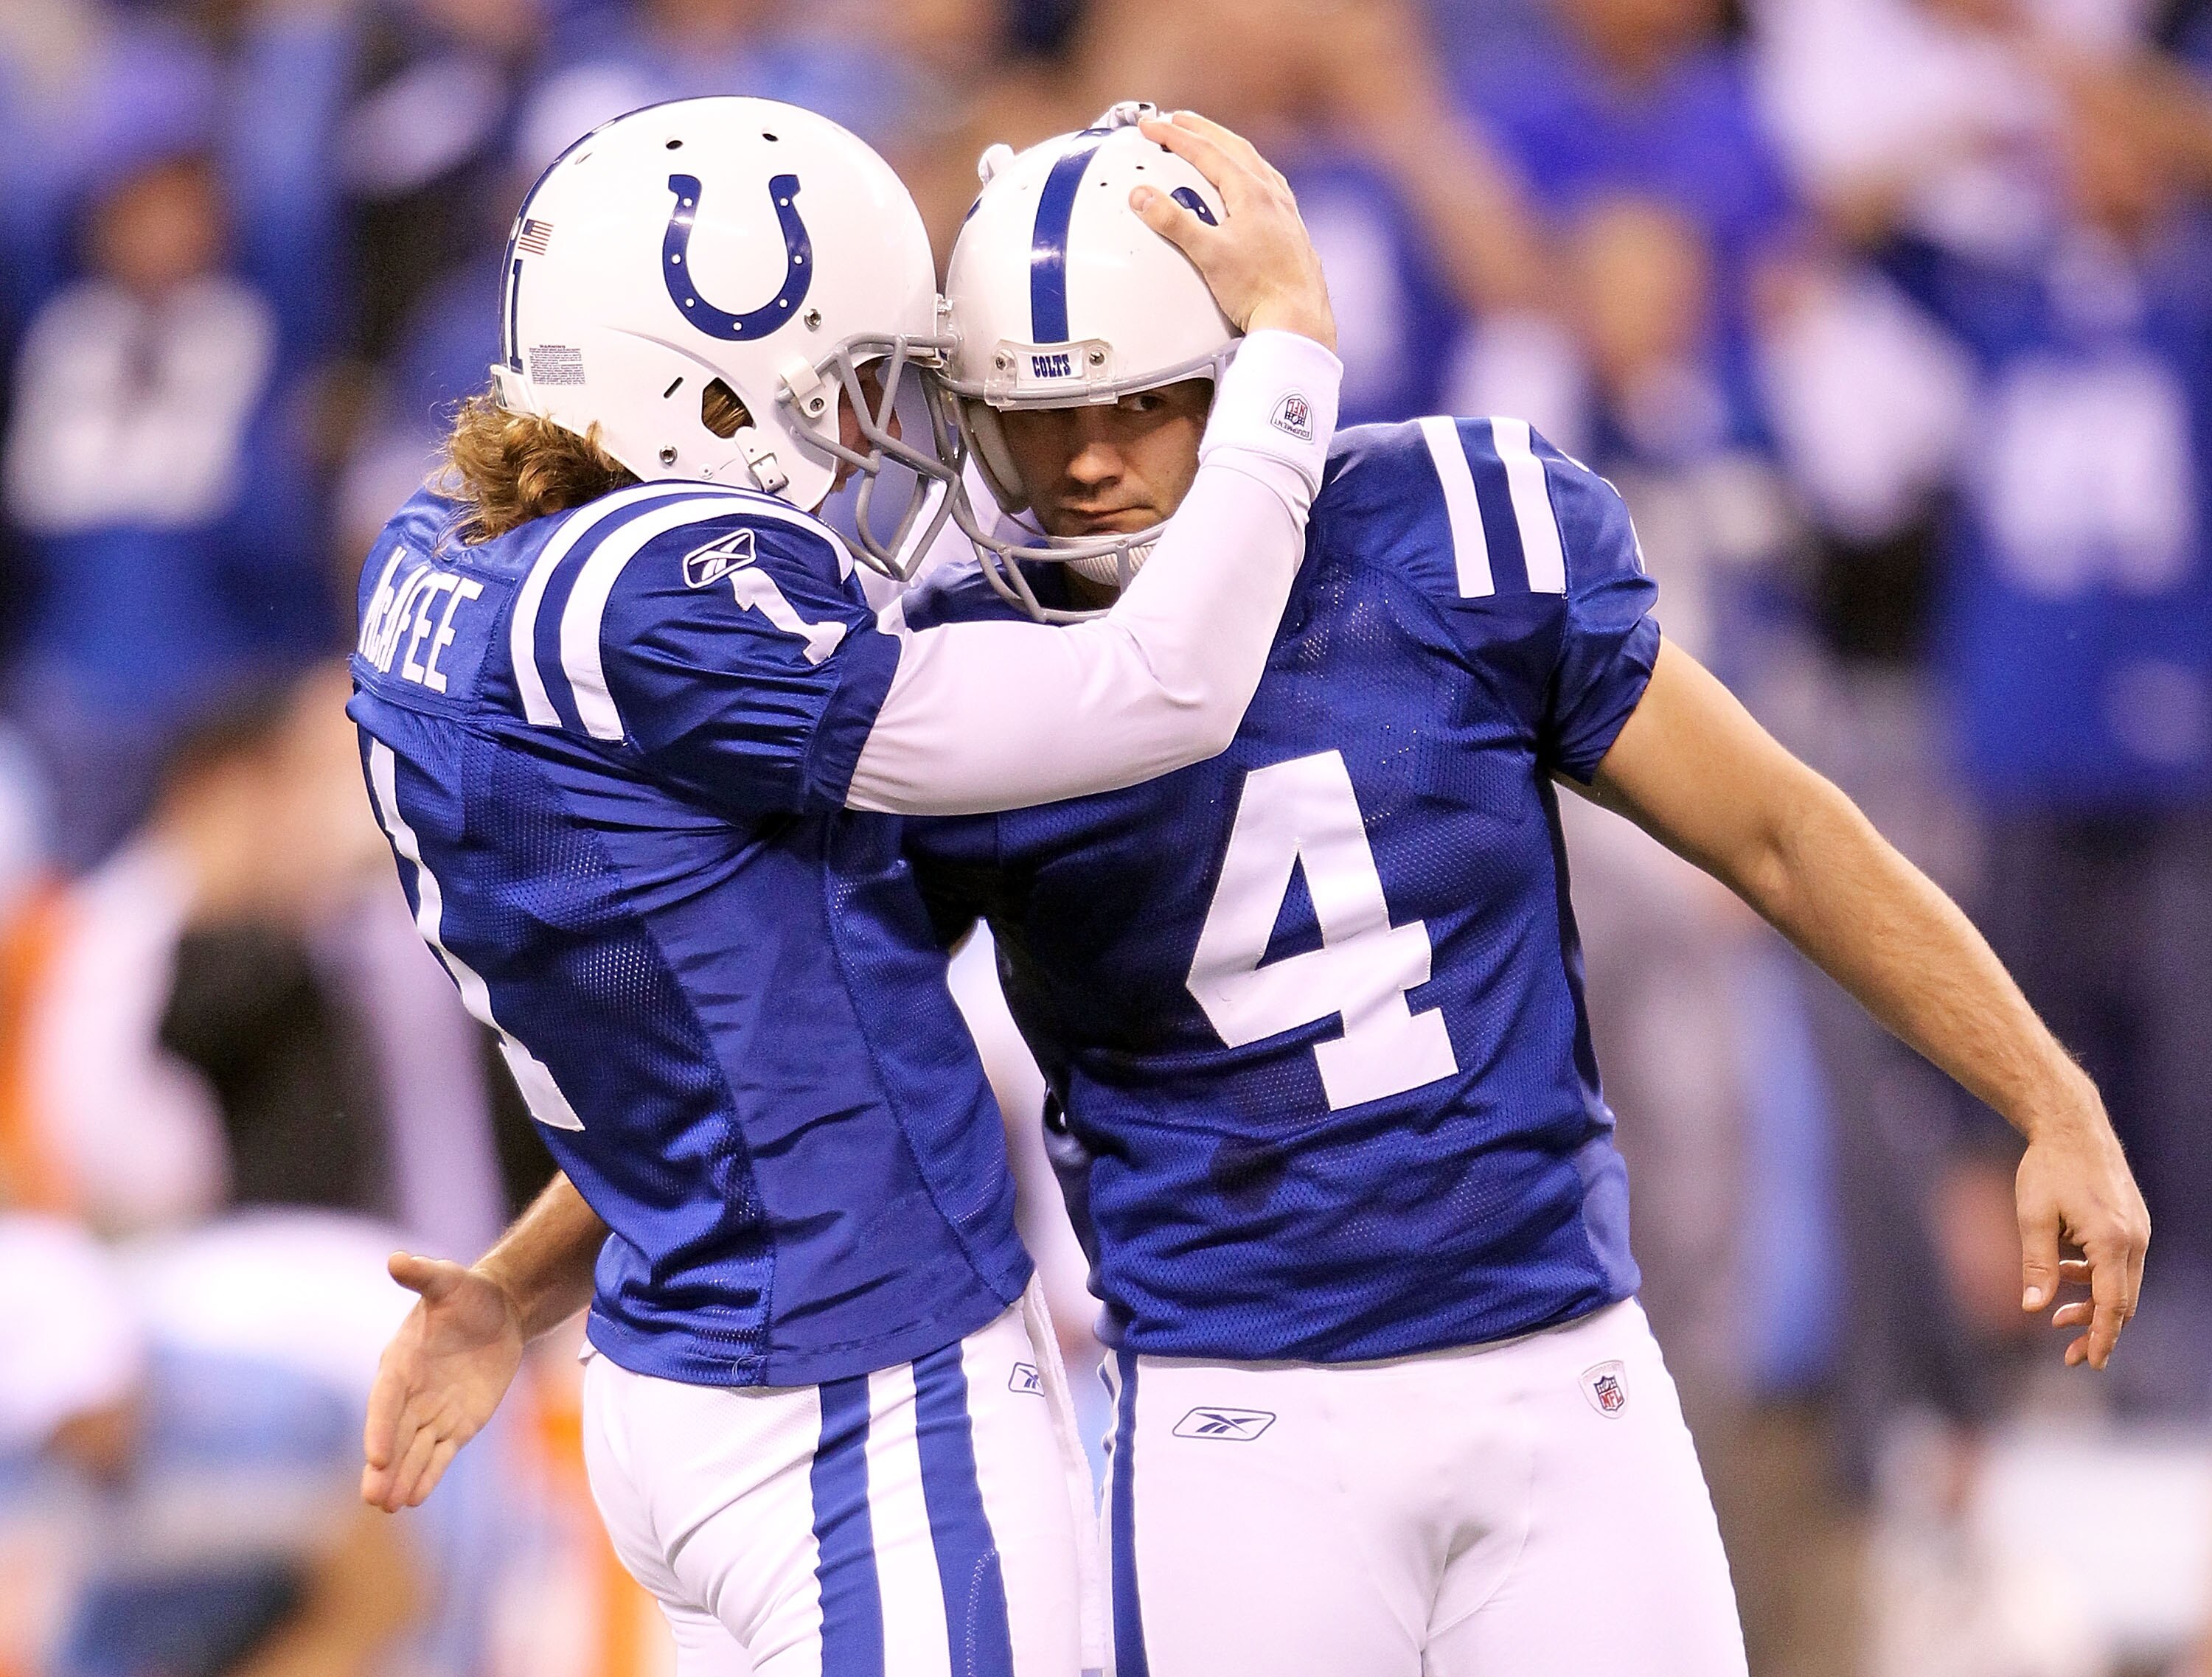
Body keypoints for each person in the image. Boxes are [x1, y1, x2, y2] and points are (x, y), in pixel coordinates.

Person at [366, 106, 2149, 1674]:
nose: (1085, 461)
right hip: (1237, 1424)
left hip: (1564, 1370)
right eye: (1035, 416)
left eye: (1140, 403)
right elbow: (802, 1044)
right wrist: (524, 1280)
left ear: (1240, 377)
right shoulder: (966, 676)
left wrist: (2047, 1094)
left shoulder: (1461, 528)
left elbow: (1781, 833)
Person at [351, 96, 1340, 1677]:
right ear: (702, 392)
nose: (874, 442)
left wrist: (518, 1284)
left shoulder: (438, 551)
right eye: (843, 392)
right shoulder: (659, 601)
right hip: (855, 1393)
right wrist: (1286, 356)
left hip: (674, 1357)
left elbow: (722, 998)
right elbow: (1161, 691)